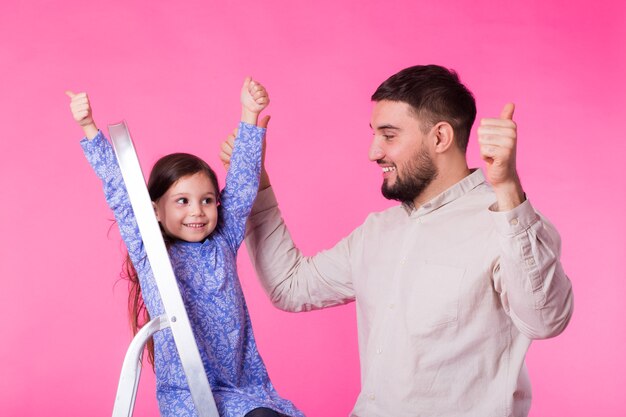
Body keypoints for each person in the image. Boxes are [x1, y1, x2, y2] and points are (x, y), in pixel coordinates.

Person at [220, 65, 573, 417]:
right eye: (374, 135)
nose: (374, 152)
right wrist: (258, 183)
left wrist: (508, 189)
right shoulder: (378, 230)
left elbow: (545, 321)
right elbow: (290, 286)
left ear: (439, 138)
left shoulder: (510, 222)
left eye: (389, 136)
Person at [67, 78, 304, 417]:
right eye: (182, 201)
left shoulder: (222, 240)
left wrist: (249, 115)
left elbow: (241, 186)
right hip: (190, 395)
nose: (197, 211)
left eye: (207, 200)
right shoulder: (152, 252)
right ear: (156, 211)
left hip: (242, 386)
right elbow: (121, 192)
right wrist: (89, 127)